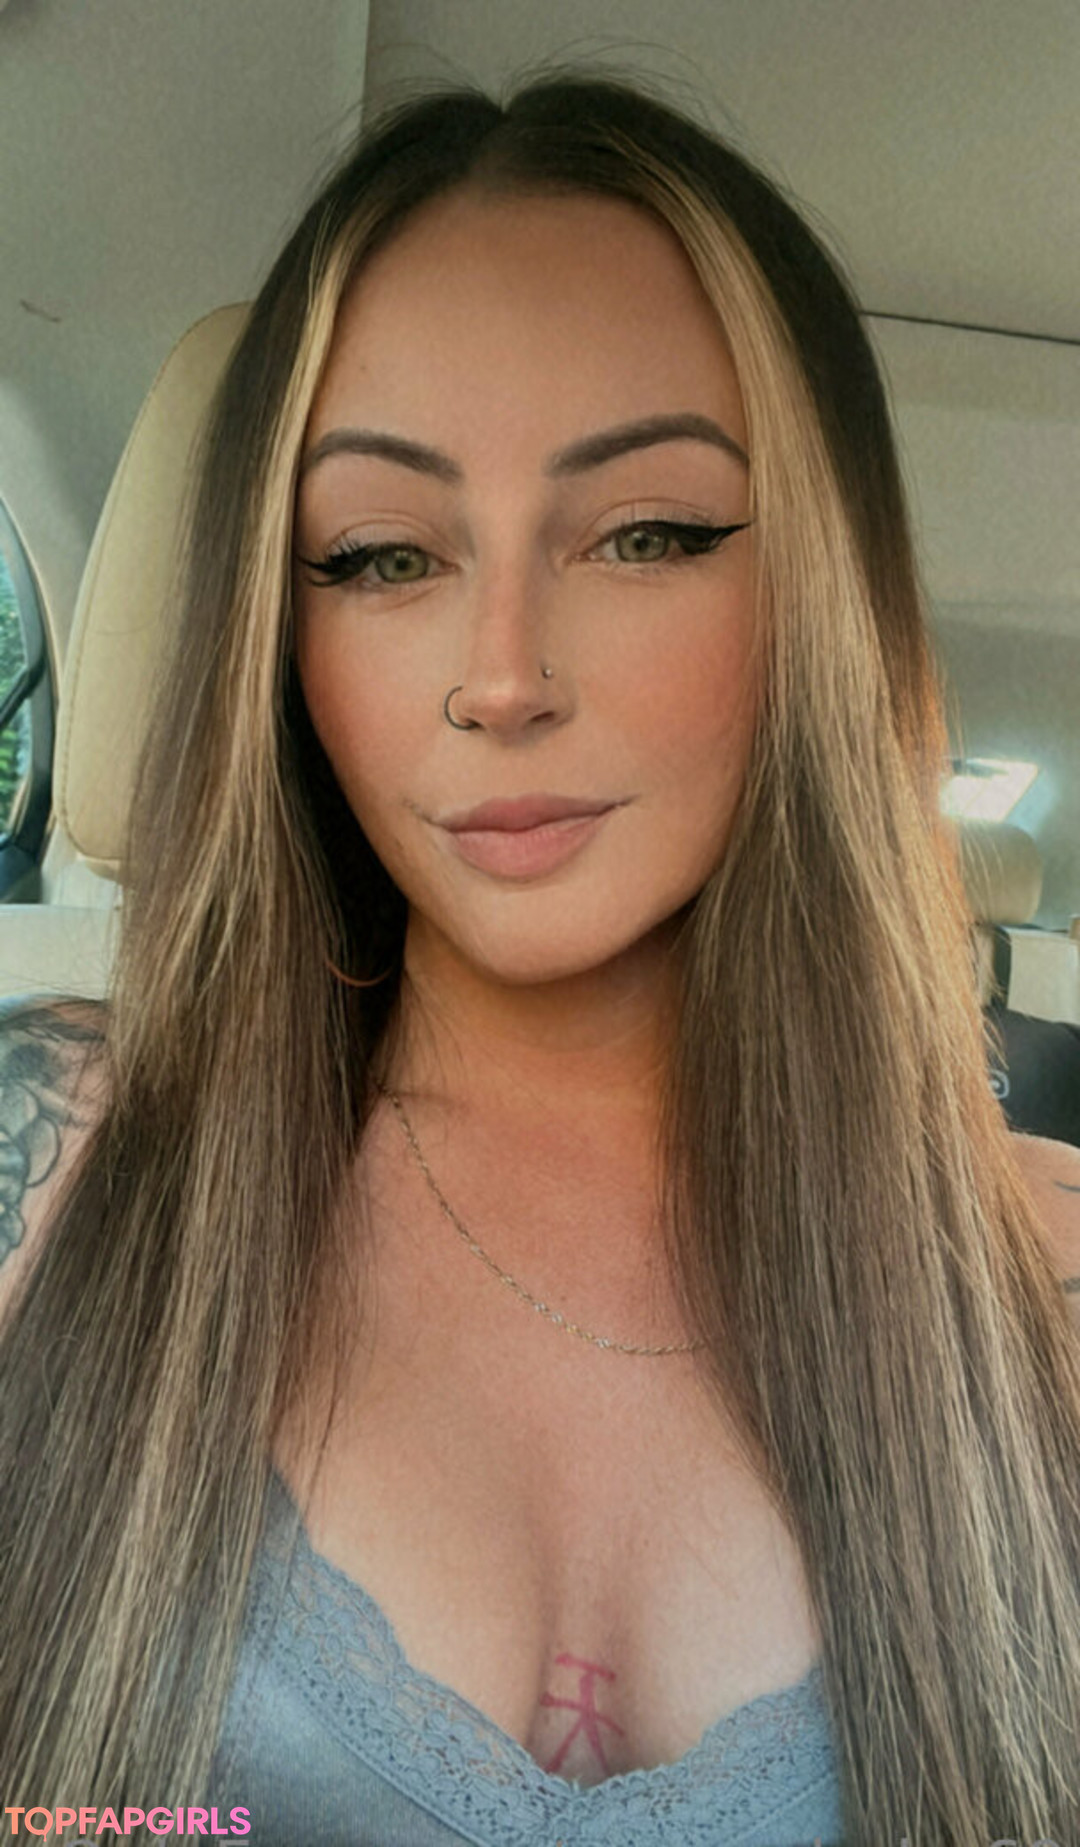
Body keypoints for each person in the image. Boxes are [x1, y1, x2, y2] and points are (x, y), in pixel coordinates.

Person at [1, 66, 1079, 1847]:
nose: (501, 676)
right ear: (279, 633)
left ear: (817, 595)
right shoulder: (57, 1167)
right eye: (380, 556)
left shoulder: (1029, 1297)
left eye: (648, 534)